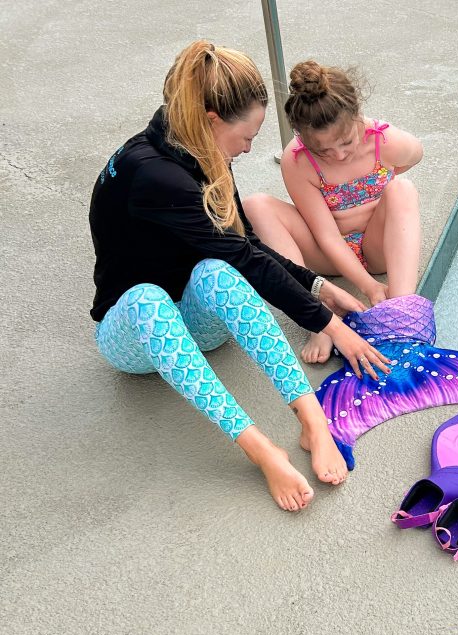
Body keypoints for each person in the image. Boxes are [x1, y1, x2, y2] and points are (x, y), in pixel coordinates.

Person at [89, 40, 391, 512]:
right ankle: (261, 450)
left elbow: (243, 245)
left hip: (196, 312)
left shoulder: (197, 145)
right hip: (137, 333)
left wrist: (319, 287)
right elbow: (247, 259)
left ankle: (312, 420)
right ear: (212, 120)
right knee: (149, 298)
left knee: (217, 271)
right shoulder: (153, 175)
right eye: (246, 136)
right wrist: (329, 325)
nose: (249, 148)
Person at [243, 60, 424, 364]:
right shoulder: (298, 161)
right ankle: (319, 317)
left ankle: (402, 307)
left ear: (358, 117)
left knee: (402, 190)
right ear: (302, 137)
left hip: (377, 246)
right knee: (255, 206)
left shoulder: (381, 140)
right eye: (324, 150)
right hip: (327, 254)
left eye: (346, 142)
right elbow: (326, 235)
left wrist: (387, 166)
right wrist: (368, 286)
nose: (339, 155)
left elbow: (415, 153)